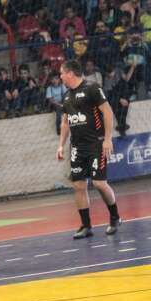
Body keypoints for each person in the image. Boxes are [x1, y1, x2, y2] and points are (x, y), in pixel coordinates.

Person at [57, 60, 121, 238]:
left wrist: (107, 139)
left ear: (70, 73)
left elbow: (107, 112)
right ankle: (86, 226)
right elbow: (65, 122)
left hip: (96, 144)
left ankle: (115, 217)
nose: (60, 76)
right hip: (77, 147)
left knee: (99, 183)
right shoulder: (67, 96)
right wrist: (61, 145)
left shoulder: (92, 88)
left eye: (62, 73)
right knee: (78, 185)